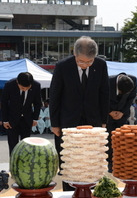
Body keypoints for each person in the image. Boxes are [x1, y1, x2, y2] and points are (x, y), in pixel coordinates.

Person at [49, 36, 110, 191]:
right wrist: (55, 124)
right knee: (70, 161)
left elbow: (104, 93)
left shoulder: (101, 65)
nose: (85, 65)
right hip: (68, 121)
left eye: (89, 62)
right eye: (81, 61)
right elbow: (55, 95)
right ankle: (69, 192)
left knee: (91, 160)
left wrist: (103, 121)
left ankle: (93, 191)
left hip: (93, 120)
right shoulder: (62, 66)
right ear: (74, 54)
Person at [1, 72, 42, 155]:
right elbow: (4, 102)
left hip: (27, 118)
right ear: (17, 82)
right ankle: (13, 164)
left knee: (26, 144)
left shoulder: (36, 85)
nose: (25, 89)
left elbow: (38, 103)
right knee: (13, 145)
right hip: (12, 118)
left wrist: (35, 118)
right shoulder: (9, 85)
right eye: (22, 88)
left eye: (27, 88)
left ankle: (25, 164)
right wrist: (5, 120)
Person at [106, 73, 137, 173]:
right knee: (109, 138)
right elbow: (101, 97)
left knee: (122, 138)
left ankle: (121, 162)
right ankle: (110, 162)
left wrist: (122, 112)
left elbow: (130, 98)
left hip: (122, 114)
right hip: (108, 114)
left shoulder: (133, 80)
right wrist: (109, 111)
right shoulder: (107, 81)